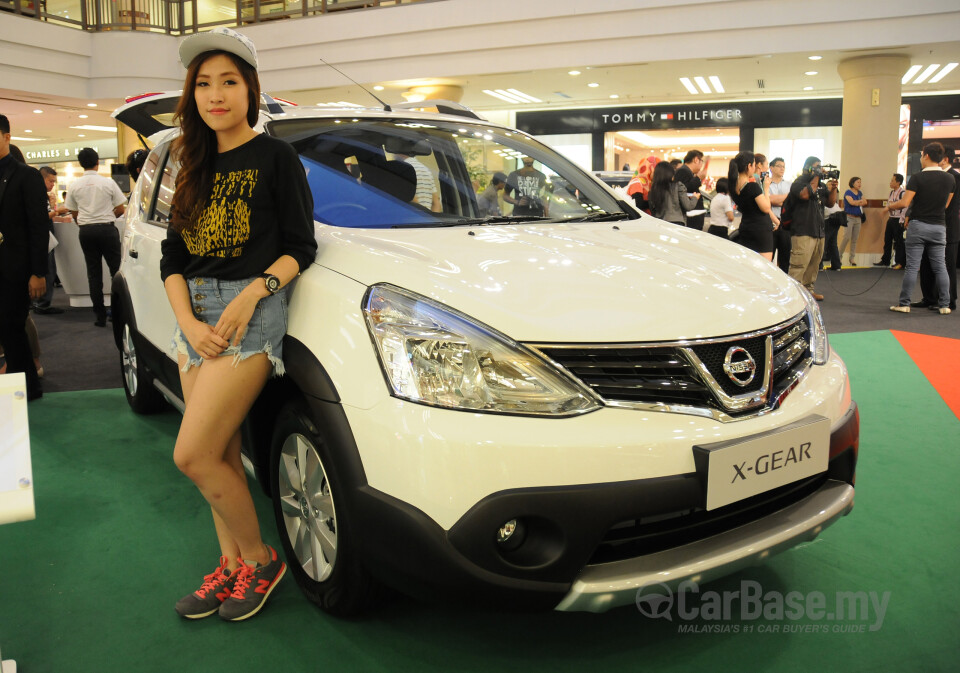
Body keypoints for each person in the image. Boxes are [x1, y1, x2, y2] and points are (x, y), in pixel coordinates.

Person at [160, 26, 318, 621]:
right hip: (193, 317)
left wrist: (254, 293)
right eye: (203, 83)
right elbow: (172, 258)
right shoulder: (190, 159)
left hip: (246, 317)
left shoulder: (276, 156)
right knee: (217, 456)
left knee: (192, 454)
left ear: (251, 90)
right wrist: (187, 323)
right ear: (192, 94)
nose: (215, 94)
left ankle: (259, 558)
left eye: (229, 81)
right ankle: (229, 567)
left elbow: (300, 248)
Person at [0, 114, 48, 401]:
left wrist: (38, 272)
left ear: (7, 136)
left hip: (17, 269)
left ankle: (26, 387)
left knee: (11, 325)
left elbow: (39, 227)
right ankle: (26, 384)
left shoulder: (26, 176)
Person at [887, 142, 954, 314]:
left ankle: (904, 304)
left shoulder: (917, 178)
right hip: (939, 227)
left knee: (911, 267)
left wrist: (888, 207)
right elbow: (945, 205)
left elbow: (904, 202)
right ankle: (945, 305)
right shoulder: (950, 178)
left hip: (918, 226)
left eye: (922, 155)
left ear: (926, 156)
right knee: (940, 267)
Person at [65, 147, 126, 326]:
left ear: (81, 164)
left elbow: (74, 212)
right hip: (107, 230)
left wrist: (85, 223)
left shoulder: (75, 185)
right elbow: (121, 209)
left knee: (93, 274)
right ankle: (117, 312)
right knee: (115, 271)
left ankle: (99, 316)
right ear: (97, 162)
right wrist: (106, 219)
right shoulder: (108, 183)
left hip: (86, 231)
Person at [787, 156, 837, 299]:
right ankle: (793, 294)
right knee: (799, 265)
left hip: (819, 231)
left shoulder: (820, 185)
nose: (820, 170)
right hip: (803, 231)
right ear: (808, 168)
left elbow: (830, 203)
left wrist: (833, 189)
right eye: (817, 167)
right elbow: (805, 195)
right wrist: (816, 177)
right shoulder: (798, 183)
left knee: (814, 265)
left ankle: (808, 290)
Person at [728, 151, 778, 260]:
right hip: (761, 231)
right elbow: (766, 208)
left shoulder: (734, 188)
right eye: (754, 165)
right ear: (749, 166)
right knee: (764, 267)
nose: (755, 168)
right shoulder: (752, 187)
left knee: (749, 266)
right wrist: (766, 188)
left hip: (746, 227)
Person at [32, 165, 65, 314]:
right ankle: (42, 303)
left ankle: (40, 302)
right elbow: (41, 217)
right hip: (43, 239)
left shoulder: (41, 194)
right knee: (48, 271)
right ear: (42, 178)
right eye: (51, 181)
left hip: (44, 237)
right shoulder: (37, 194)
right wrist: (57, 211)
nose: (52, 185)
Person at [649, 160, 698, 226]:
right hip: (677, 223)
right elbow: (688, 206)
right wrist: (695, 198)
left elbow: (653, 210)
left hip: (660, 224)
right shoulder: (678, 186)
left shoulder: (653, 190)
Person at [767, 157, 792, 273]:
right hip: (771, 224)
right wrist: (783, 199)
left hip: (785, 224)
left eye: (783, 166)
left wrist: (774, 200)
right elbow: (767, 200)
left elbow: (790, 202)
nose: (782, 168)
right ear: (771, 168)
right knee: (768, 258)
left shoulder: (790, 185)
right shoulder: (766, 184)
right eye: (779, 166)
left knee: (785, 258)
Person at [877, 173, 906, 269]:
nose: (890, 182)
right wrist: (884, 211)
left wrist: (903, 220)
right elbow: (889, 204)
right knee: (887, 239)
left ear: (898, 182)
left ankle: (899, 262)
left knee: (898, 242)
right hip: (891, 219)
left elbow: (904, 206)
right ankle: (885, 260)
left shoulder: (903, 193)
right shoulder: (891, 192)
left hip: (898, 220)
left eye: (892, 180)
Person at [838, 176, 868, 266]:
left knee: (855, 239)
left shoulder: (860, 193)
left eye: (860, 182)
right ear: (853, 183)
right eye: (858, 182)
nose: (859, 184)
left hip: (858, 218)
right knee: (846, 237)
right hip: (849, 218)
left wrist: (857, 202)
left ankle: (852, 258)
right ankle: (839, 256)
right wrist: (859, 202)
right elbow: (851, 202)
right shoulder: (848, 192)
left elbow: (865, 202)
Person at [675, 150, 706, 230]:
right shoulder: (683, 171)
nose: (702, 164)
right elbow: (684, 189)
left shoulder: (688, 172)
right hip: (690, 216)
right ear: (696, 159)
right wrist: (698, 178)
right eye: (701, 161)